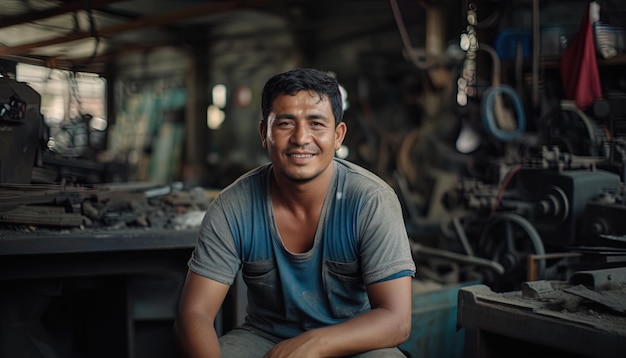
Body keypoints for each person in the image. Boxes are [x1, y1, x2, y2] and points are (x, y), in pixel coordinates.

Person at [174, 68, 416, 357]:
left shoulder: (371, 201)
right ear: (265, 133)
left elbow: (396, 320)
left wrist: (314, 345)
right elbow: (195, 312)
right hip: (264, 338)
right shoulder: (233, 206)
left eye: (316, 124)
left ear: (338, 135)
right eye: (286, 123)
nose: (301, 138)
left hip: (352, 340)